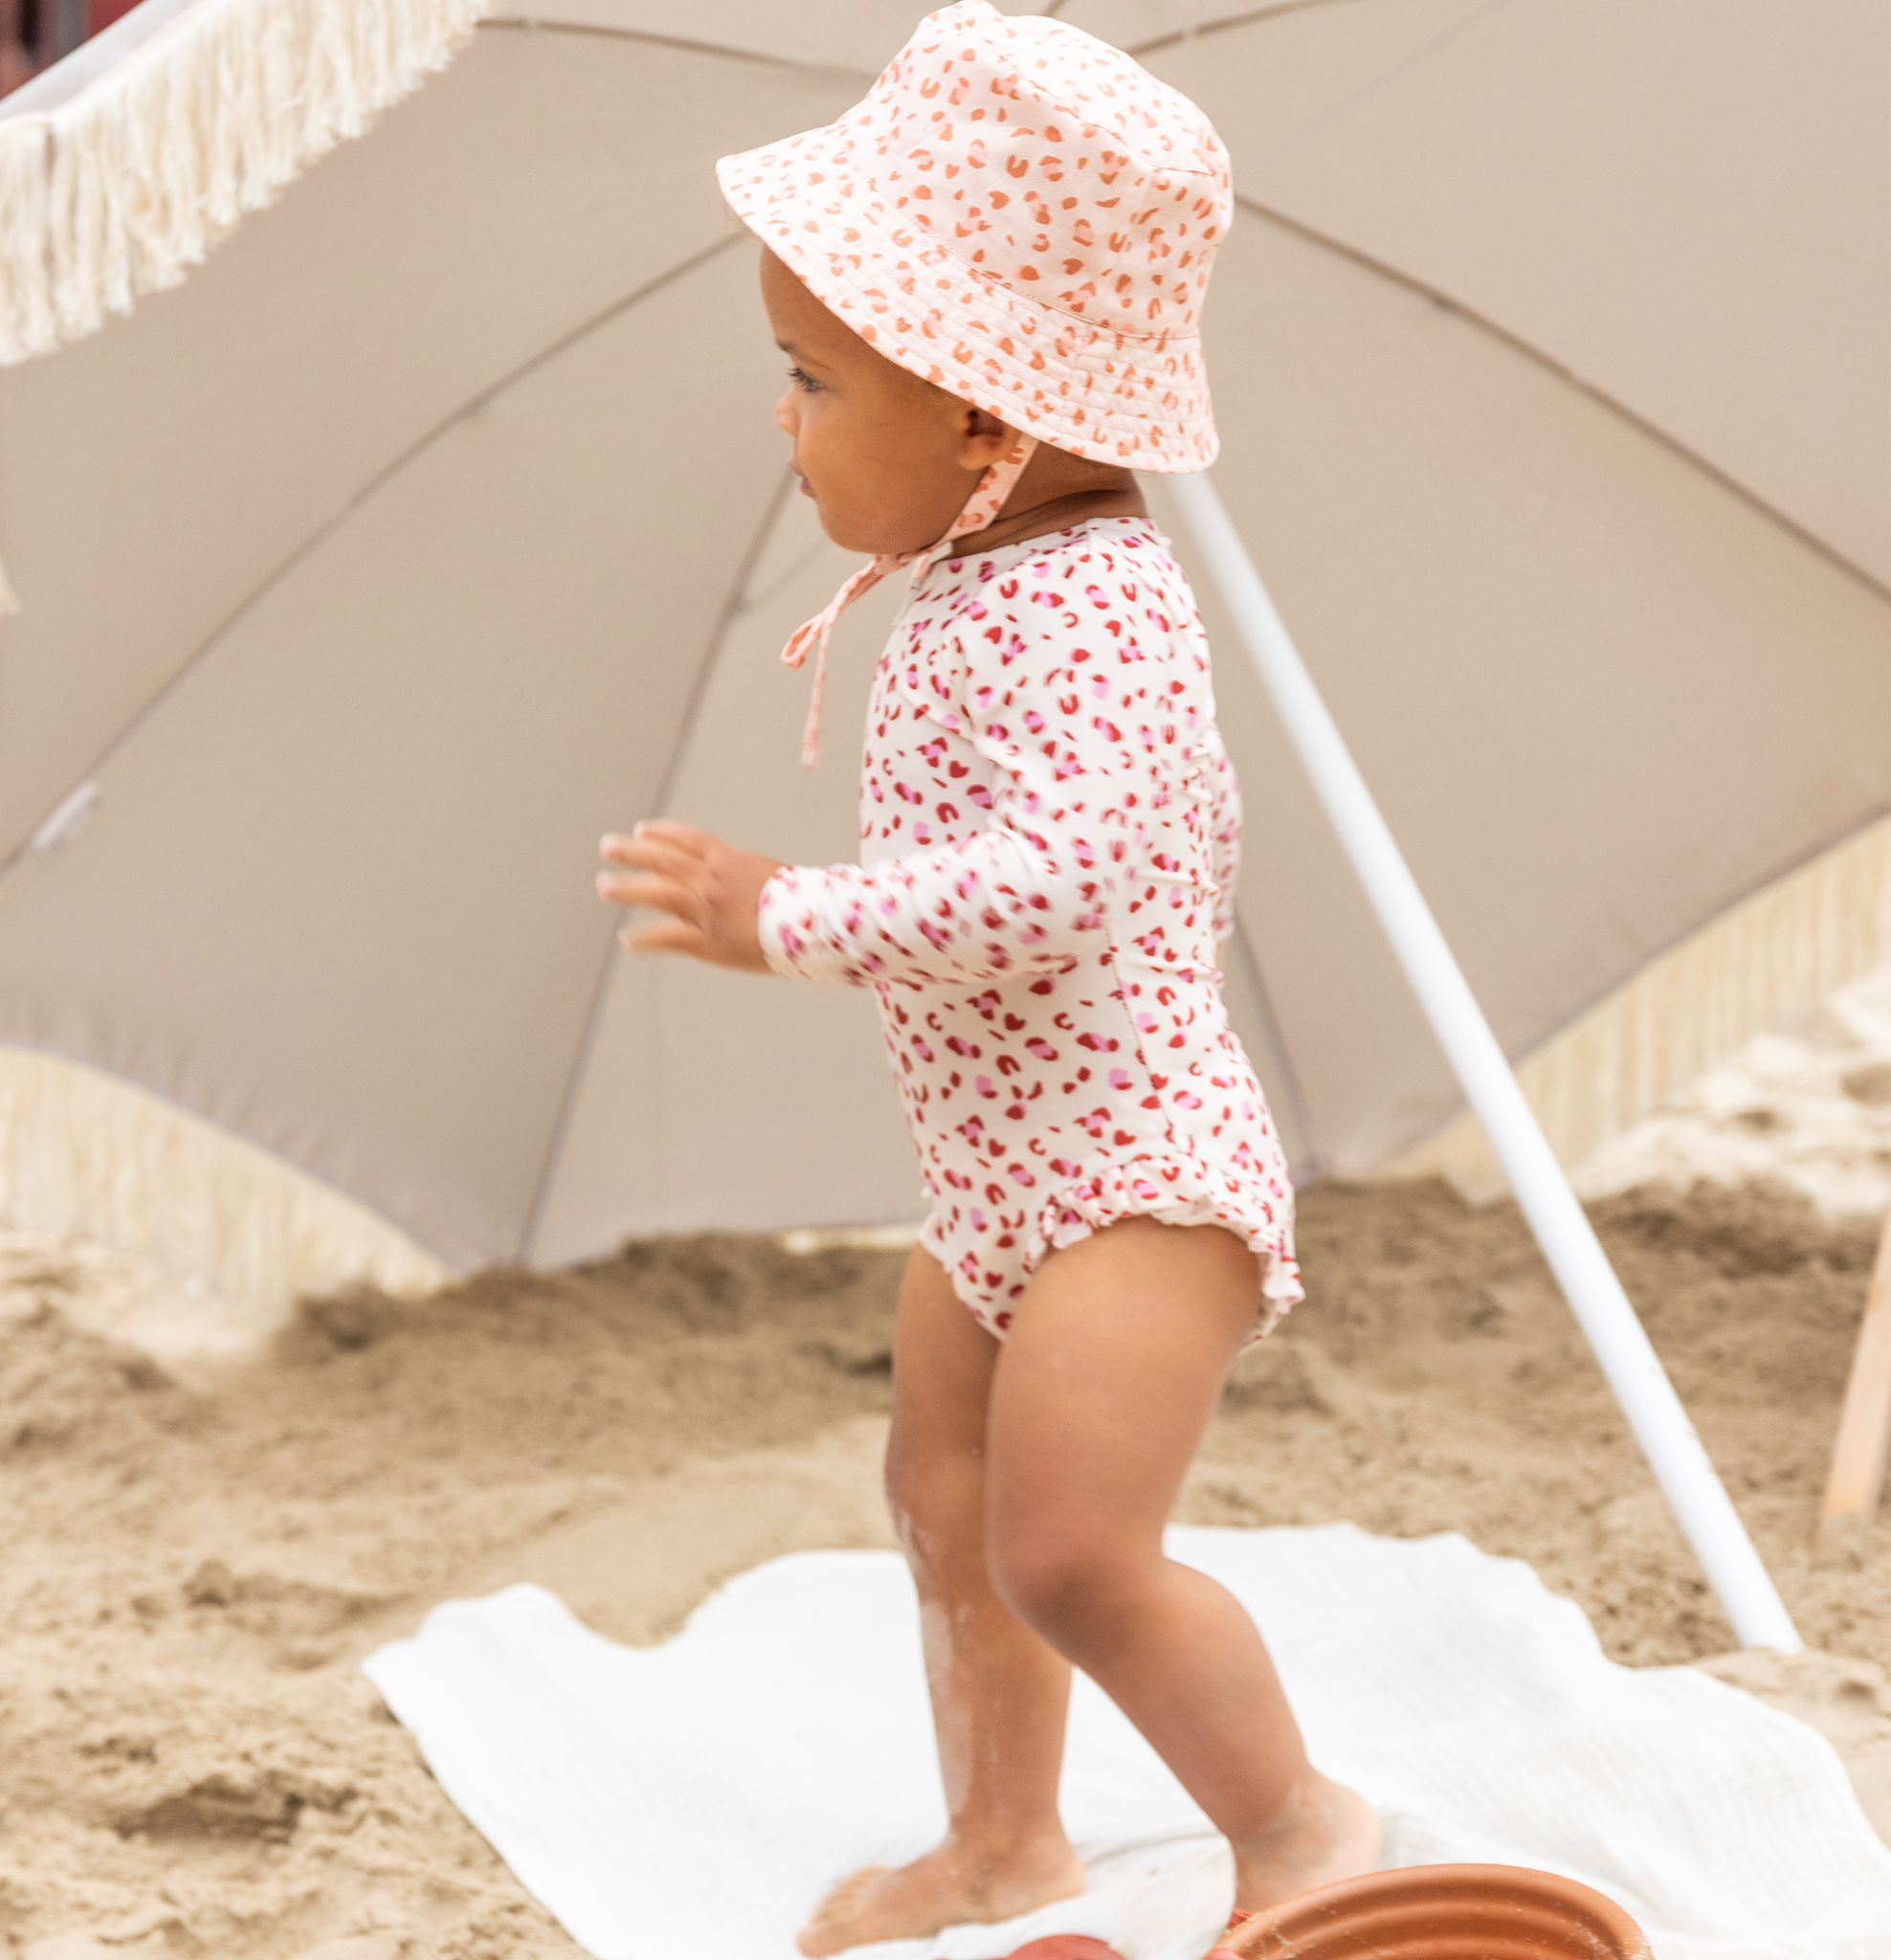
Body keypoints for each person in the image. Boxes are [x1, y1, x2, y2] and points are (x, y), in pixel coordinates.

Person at [596, 6, 1380, 1953]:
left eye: (808, 376)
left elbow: (1066, 881)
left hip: (1132, 1173)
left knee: (1071, 1550)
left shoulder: (1095, 606)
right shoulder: (975, 580)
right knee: (939, 1493)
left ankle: (1302, 1828)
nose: (779, 415)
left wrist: (790, 909)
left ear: (978, 420)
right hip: (998, 1166)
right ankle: (1005, 1837)